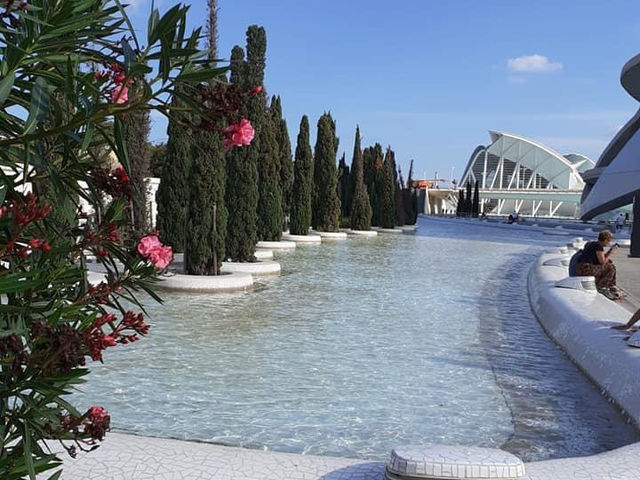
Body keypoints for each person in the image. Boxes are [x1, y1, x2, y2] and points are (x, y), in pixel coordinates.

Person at [576, 230, 622, 299]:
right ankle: (602, 287)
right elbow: (602, 262)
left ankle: (610, 286)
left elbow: (601, 258)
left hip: (581, 267)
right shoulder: (598, 246)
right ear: (605, 240)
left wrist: (609, 254)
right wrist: (611, 252)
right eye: (609, 241)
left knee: (609, 265)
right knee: (611, 268)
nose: (609, 243)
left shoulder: (592, 244)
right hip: (586, 268)